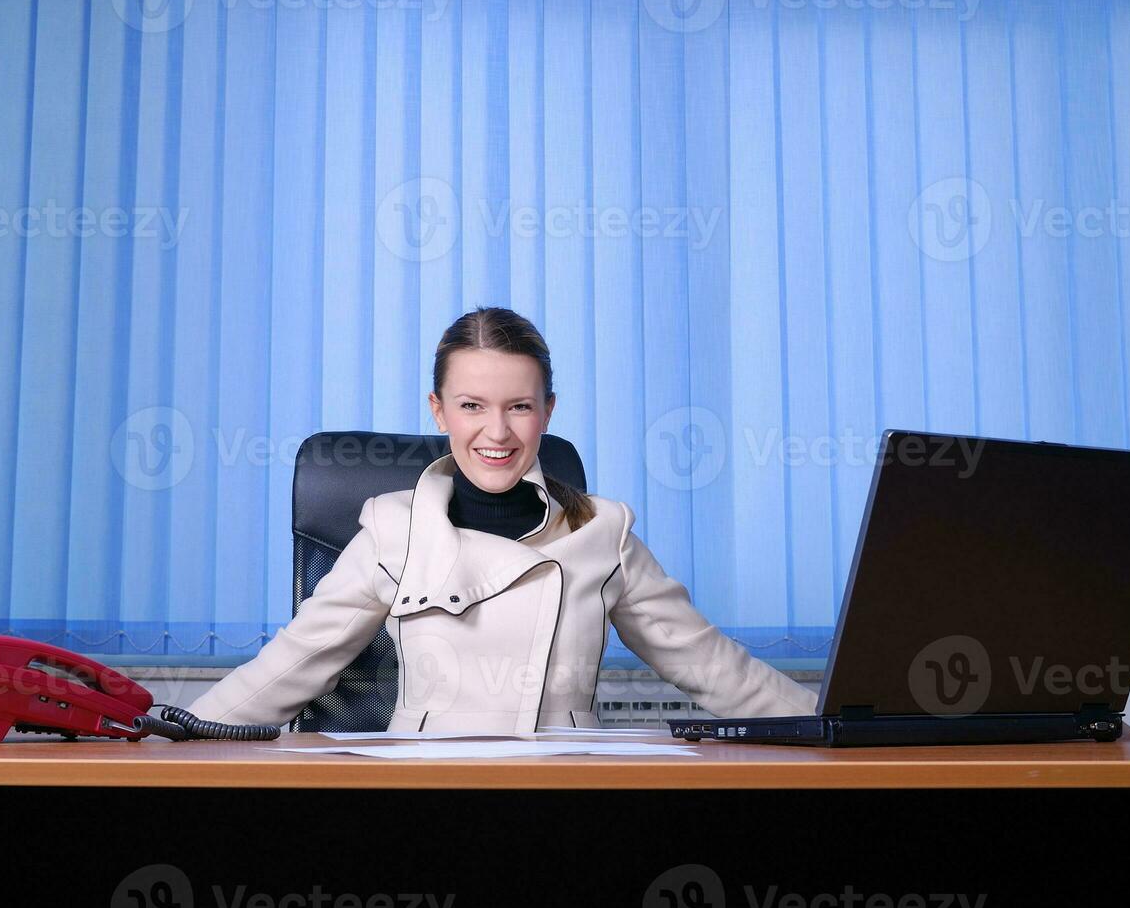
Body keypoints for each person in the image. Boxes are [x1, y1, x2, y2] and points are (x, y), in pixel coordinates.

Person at [187, 307, 817, 732]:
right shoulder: (391, 529)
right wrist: (168, 732)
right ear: (439, 412)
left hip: (563, 794)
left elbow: (709, 666)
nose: (497, 432)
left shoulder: (604, 531)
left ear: (548, 411)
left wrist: (838, 724)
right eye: (471, 406)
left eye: (519, 406)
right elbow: (291, 666)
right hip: (420, 796)